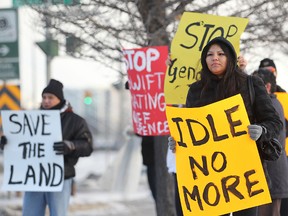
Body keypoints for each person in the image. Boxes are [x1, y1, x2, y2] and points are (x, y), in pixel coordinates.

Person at [168, 37, 283, 216]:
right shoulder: (196, 90)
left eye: (221, 54)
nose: (215, 58)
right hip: (211, 179)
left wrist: (261, 131)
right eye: (210, 54)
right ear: (204, 60)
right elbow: (190, 130)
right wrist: (179, 142)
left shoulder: (250, 84)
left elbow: (275, 122)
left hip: (245, 174)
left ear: (230, 58)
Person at [1, 79, 93, 216]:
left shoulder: (75, 121)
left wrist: (71, 146)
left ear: (60, 99)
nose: (46, 101)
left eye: (51, 97)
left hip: (60, 178)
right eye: (44, 97)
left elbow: (87, 146)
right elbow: (21, 146)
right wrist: (6, 142)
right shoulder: (30, 119)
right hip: (33, 178)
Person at [253, 68, 288, 216]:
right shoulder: (274, 103)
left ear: (266, 87)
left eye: (254, 86)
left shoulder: (270, 107)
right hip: (275, 173)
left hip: (271, 173)